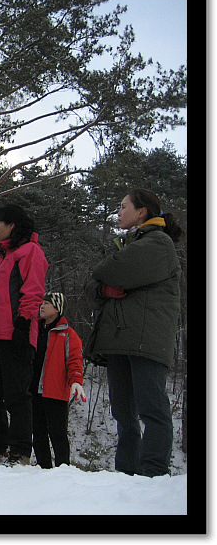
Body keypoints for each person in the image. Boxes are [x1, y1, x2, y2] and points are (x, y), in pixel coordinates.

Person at [84, 188, 183, 477]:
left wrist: (102, 279)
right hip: (120, 339)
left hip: (146, 340)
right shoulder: (131, 243)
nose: (119, 211)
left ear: (142, 212)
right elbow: (93, 285)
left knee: (152, 408)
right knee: (123, 413)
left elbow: (107, 270)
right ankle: (126, 472)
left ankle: (153, 471)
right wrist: (103, 288)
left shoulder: (157, 243)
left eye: (124, 206)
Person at [0, 203, 48, 466]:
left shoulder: (30, 251)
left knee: (17, 395)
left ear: (12, 225)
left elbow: (33, 292)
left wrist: (24, 326)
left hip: (14, 334)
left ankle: (20, 452)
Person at [31, 293, 85, 469]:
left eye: (47, 303)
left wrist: (76, 381)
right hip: (33, 390)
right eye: (42, 303)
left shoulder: (68, 333)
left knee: (57, 433)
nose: (42, 306)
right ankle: (43, 467)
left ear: (57, 308)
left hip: (55, 390)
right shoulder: (34, 329)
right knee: (38, 433)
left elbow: (75, 359)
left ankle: (63, 469)